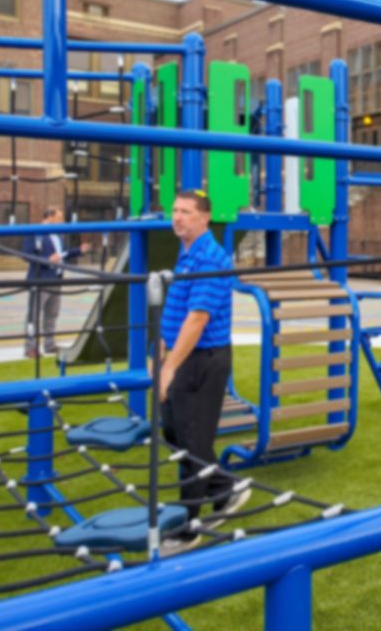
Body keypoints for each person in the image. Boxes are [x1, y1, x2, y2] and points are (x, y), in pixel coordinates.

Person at [156, 190, 249, 555]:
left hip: (202, 361)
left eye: (186, 212)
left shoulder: (211, 257)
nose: (178, 217)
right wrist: (160, 352)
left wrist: (169, 369)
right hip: (186, 357)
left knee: (192, 443)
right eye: (175, 210)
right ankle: (224, 488)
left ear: (205, 218)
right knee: (174, 430)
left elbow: (196, 320)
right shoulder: (188, 252)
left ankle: (188, 529)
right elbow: (178, 312)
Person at [22, 206, 90, 358]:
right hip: (40, 279)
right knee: (34, 314)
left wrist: (78, 250)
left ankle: (49, 344)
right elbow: (26, 254)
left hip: (56, 279)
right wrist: (46, 260)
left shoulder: (57, 235)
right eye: (59, 218)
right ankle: (30, 347)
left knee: (52, 314)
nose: (61, 221)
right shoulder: (34, 232)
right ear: (49, 216)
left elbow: (62, 254)